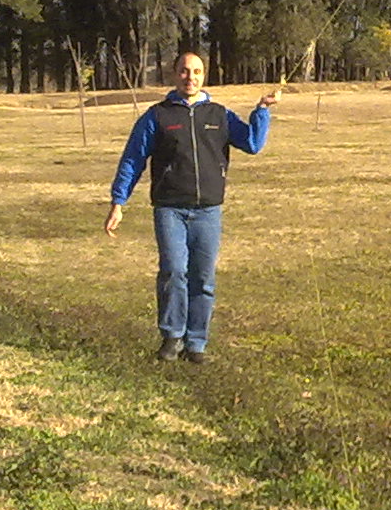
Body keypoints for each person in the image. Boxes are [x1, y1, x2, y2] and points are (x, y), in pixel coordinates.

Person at [104, 49, 277, 364]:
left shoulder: (219, 115)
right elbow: (133, 159)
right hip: (169, 208)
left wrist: (261, 111)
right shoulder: (158, 116)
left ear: (204, 76)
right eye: (184, 71)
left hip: (208, 211)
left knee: (203, 277)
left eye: (196, 72)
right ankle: (172, 337)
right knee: (173, 271)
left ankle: (196, 344)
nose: (190, 77)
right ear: (174, 75)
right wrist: (119, 201)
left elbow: (252, 144)